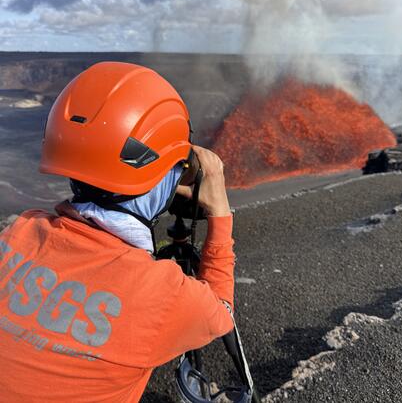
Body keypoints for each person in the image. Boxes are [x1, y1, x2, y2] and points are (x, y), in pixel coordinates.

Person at [0, 62, 235, 402]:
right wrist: (220, 212)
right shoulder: (164, 294)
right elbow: (222, 312)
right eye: (177, 167)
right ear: (160, 171)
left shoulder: (21, 231)